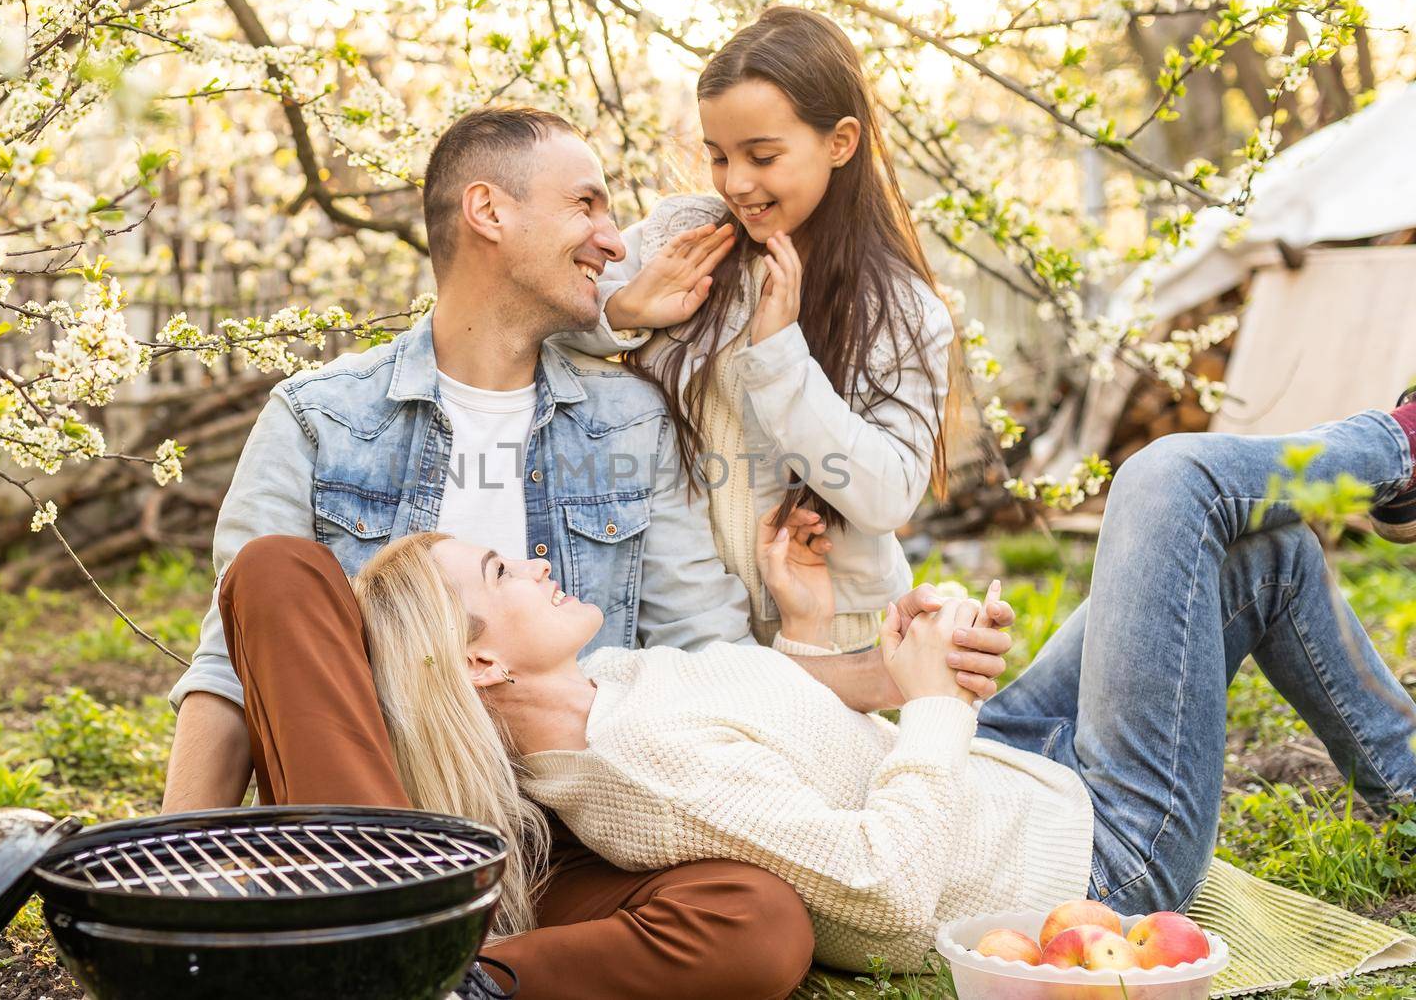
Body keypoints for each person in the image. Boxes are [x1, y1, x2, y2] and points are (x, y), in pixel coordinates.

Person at [161, 105, 1016, 1000]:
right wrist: (171, 898)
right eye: (587, 206)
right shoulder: (320, 415)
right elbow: (231, 669)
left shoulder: (629, 420)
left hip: (564, 832)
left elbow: (704, 654)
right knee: (271, 573)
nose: (615, 242)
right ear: (489, 212)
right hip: (382, 817)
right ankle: (387, 916)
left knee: (759, 920)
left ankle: (452, 983)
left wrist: (888, 676)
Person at [347, 400, 1416, 973]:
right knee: (1167, 481)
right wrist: (934, 706)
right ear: (480, 659)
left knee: (1257, 554)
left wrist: (862, 636)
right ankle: (1394, 448)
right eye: (500, 573)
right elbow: (886, 889)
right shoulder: (640, 771)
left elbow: (782, 731)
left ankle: (1403, 780)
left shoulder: (607, 684)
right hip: (1101, 854)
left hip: (1012, 777)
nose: (533, 558)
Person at [557, 6, 957, 650]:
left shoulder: (902, 310)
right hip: (676, 619)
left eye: (762, 156)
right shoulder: (686, 237)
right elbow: (553, 317)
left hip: (831, 626)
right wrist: (626, 311)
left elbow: (887, 497)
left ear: (840, 142)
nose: (737, 183)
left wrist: (780, 357)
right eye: (718, 156)